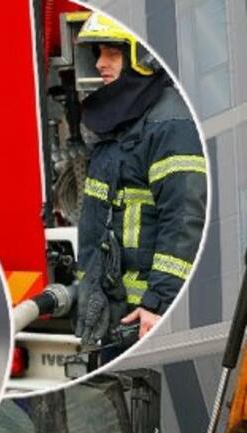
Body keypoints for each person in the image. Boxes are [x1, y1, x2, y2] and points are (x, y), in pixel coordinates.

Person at [73, 13, 206, 352]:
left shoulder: (170, 124)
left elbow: (183, 218)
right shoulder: (121, 121)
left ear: (143, 58)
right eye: (99, 53)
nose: (100, 64)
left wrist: (159, 303)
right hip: (114, 313)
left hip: (146, 318)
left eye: (112, 53)